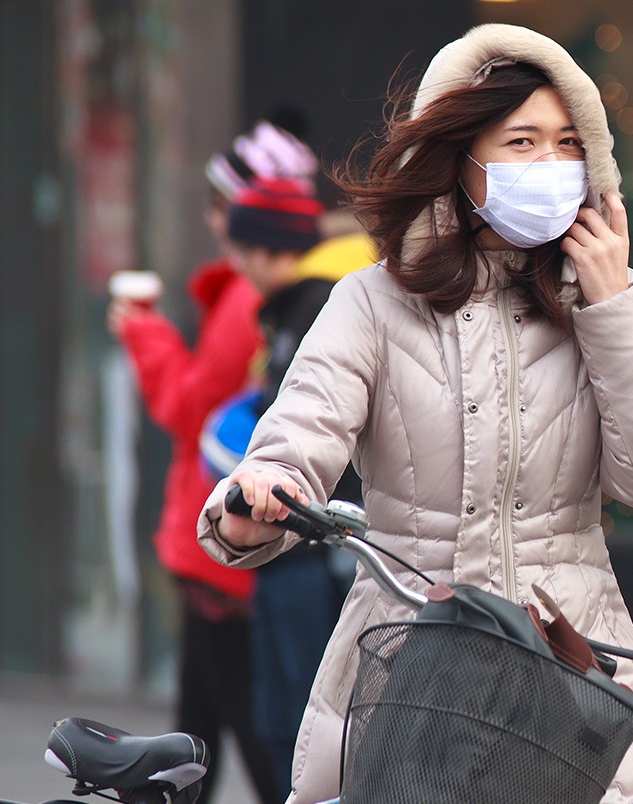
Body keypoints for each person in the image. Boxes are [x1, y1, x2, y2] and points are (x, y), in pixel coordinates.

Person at [197, 24, 633, 804]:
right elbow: (296, 441)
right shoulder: (371, 301)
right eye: (522, 142)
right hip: (408, 672)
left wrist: (615, 304)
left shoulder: (597, 307)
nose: (551, 165)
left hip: (572, 682)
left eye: (569, 145)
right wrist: (257, 495)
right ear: (458, 164)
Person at [106, 119, 320, 804]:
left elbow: (186, 406)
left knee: (249, 735)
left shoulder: (245, 301)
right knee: (199, 729)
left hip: (225, 545)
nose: (214, 220)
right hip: (219, 542)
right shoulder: (254, 295)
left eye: (222, 204)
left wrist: (142, 332)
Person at [220, 174, 376, 799]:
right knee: (284, 724)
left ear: (269, 250)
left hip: (315, 546)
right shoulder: (308, 302)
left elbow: (318, 424)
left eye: (241, 251)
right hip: (280, 528)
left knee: (306, 727)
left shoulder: (323, 303)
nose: (234, 265)